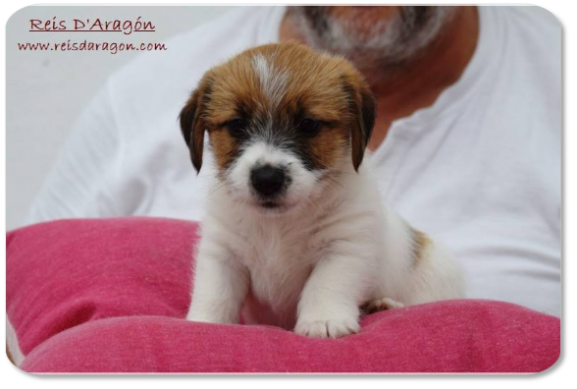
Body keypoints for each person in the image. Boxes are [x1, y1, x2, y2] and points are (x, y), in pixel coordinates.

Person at [27, 6, 561, 316]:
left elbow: (354, 246)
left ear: (358, 130)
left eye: (309, 127)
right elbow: (25, 285)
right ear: (199, 133)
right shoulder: (138, 92)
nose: (268, 161)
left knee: (433, 265)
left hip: (402, 293)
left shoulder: (555, 70)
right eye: (235, 129)